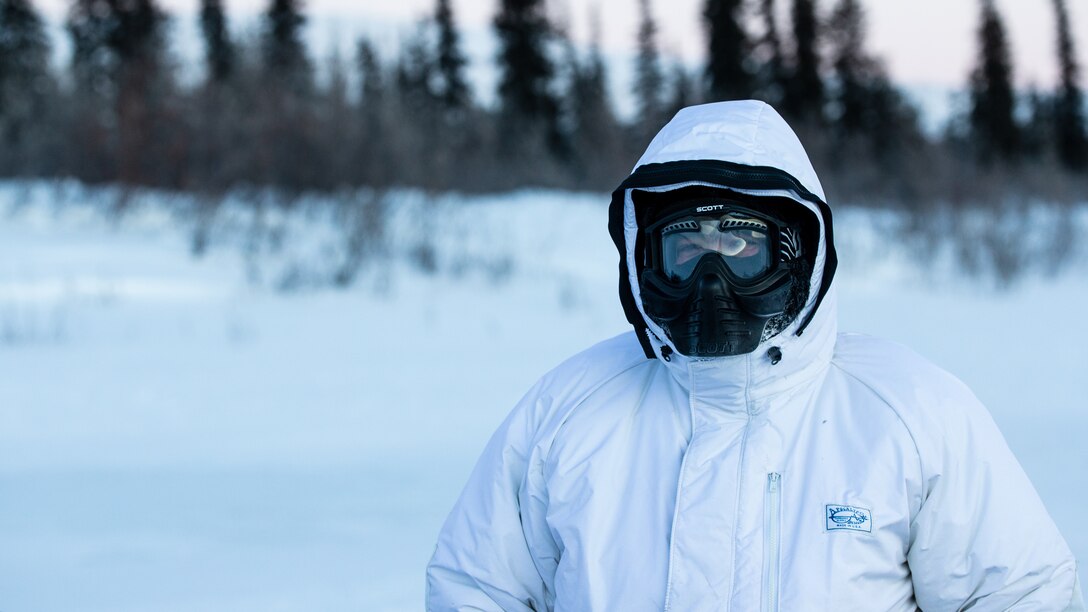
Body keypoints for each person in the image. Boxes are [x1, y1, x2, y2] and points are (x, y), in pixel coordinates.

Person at [425, 100, 1084, 611]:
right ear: (643, 257)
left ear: (801, 248)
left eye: (742, 246)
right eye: (687, 249)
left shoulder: (909, 413)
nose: (712, 282)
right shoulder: (568, 412)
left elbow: (1018, 592)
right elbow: (477, 587)